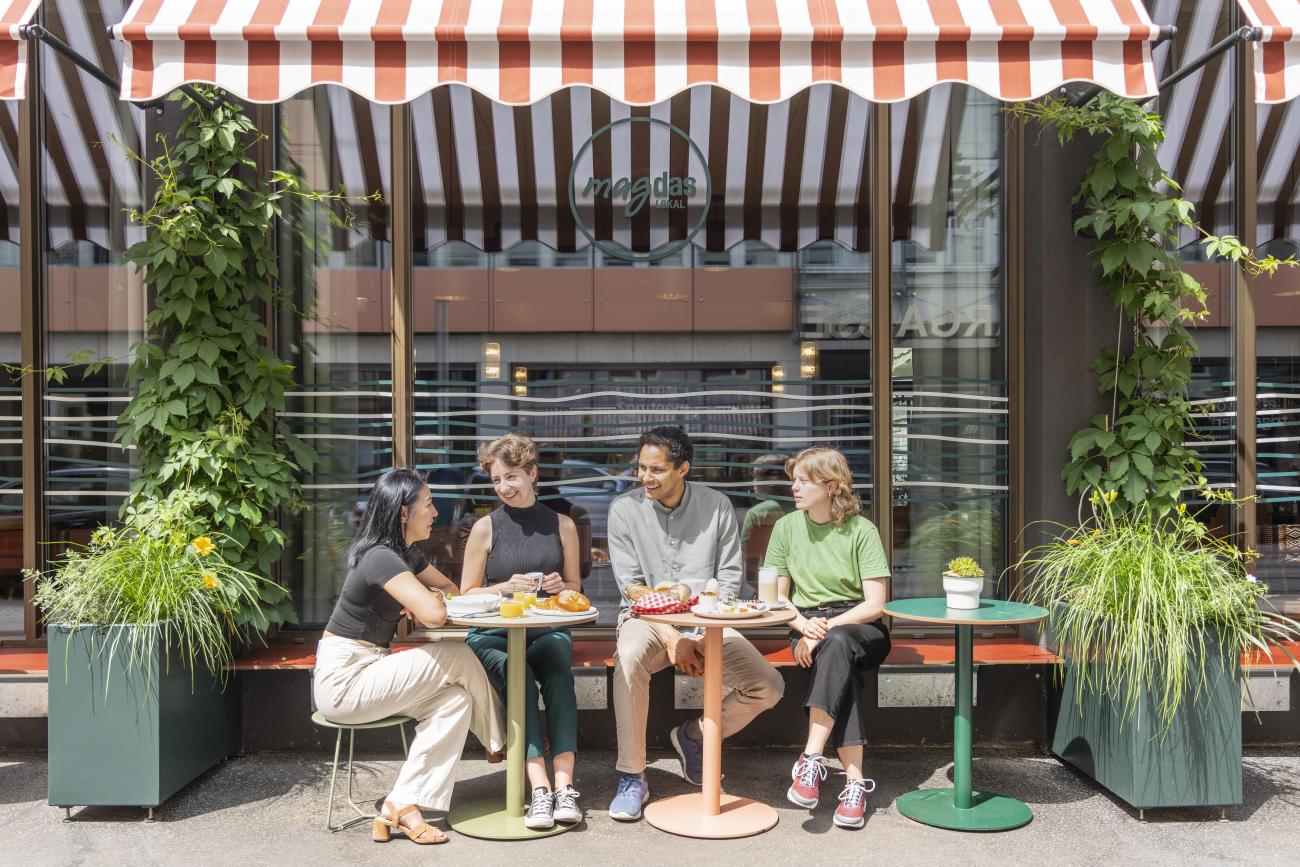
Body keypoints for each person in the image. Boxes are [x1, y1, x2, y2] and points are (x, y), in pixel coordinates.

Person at [313, 468, 506, 845]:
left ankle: (401, 805)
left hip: (371, 667)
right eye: (429, 505)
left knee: (456, 699)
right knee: (457, 653)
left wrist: (425, 597)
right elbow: (436, 613)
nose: (437, 513)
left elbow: (450, 590)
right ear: (404, 512)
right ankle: (501, 742)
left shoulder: (404, 554)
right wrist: (427, 601)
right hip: (345, 679)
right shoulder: (380, 556)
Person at [605, 426, 785, 821]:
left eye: (656, 469)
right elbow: (631, 588)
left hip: (710, 621)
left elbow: (730, 579)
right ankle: (633, 775)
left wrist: (701, 633)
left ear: (683, 468)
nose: (645, 478)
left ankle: (694, 736)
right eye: (641, 468)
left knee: (768, 686)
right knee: (629, 657)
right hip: (647, 622)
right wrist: (673, 637)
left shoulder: (717, 506)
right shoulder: (624, 510)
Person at [460, 433, 584, 830]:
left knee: (560, 676)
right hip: (491, 632)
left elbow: (576, 588)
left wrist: (559, 587)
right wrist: (504, 587)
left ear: (533, 473)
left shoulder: (562, 525)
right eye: (496, 480)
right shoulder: (485, 527)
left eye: (511, 477)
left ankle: (565, 786)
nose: (503, 488)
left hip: (547, 627)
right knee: (521, 676)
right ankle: (540, 790)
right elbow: (466, 594)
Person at [763, 446, 890, 830]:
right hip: (808, 624)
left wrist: (824, 629)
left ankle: (810, 757)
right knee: (840, 666)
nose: (794, 488)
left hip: (860, 626)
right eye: (793, 481)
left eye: (803, 480)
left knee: (837, 645)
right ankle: (853, 785)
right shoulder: (786, 527)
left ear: (831, 486)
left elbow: (876, 604)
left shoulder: (861, 530)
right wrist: (804, 627)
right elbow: (775, 594)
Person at [740, 453, 795, 590]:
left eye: (757, 478)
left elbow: (750, 572)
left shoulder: (757, 514)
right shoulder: (808, 508)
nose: (753, 483)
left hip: (773, 587)